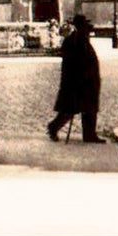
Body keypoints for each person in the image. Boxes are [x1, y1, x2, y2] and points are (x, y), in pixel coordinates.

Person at [46, 15, 106, 143]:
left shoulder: (79, 38)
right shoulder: (75, 40)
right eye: (85, 26)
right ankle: (54, 127)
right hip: (79, 81)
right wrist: (83, 75)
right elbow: (74, 62)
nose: (88, 29)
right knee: (70, 109)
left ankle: (89, 134)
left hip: (86, 81)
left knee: (88, 108)